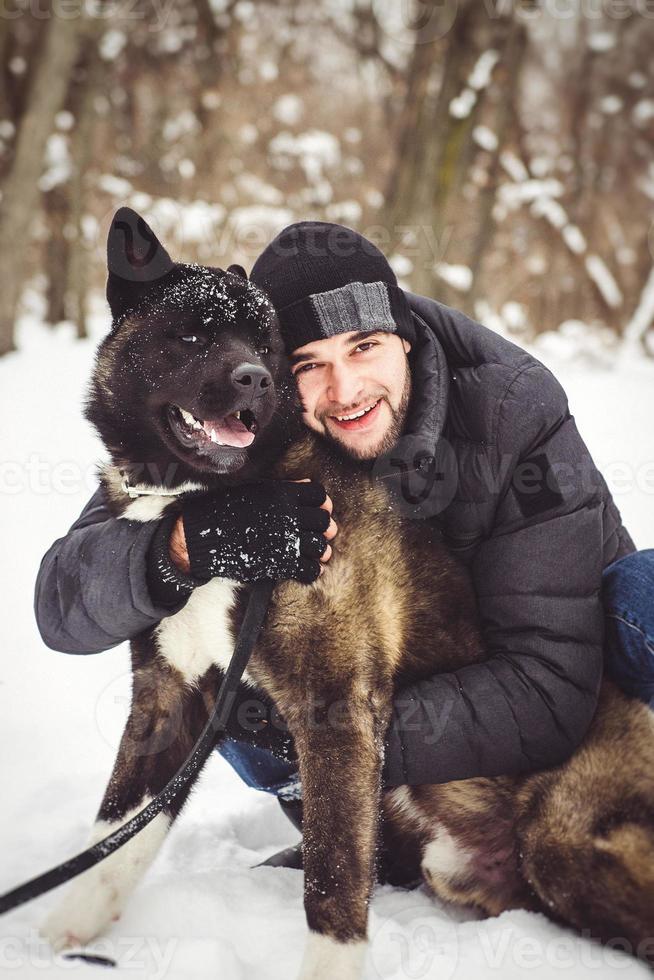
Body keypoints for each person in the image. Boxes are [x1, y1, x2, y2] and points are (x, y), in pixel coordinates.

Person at [34, 221, 654, 876]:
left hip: (576, 693)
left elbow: (547, 686)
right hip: (357, 728)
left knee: (644, 592)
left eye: (366, 348)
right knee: (218, 668)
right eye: (309, 366)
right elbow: (64, 601)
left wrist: (336, 731)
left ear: (405, 340)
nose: (346, 389)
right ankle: (386, 836)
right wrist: (181, 545)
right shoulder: (234, 431)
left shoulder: (510, 409)